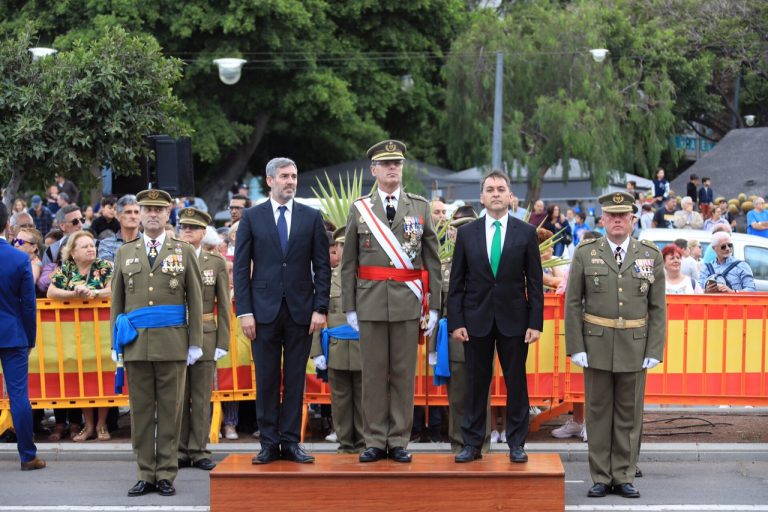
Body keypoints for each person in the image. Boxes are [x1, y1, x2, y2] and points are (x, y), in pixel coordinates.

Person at [341, 139, 441, 463]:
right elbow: (349, 263)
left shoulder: (420, 207)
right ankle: (374, 440)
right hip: (370, 303)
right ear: (373, 170)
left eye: (396, 163)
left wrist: (435, 306)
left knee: (402, 374)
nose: (392, 169)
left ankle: (398, 439)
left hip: (406, 303)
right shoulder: (360, 209)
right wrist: (350, 307)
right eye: (385, 164)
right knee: (372, 374)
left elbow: (432, 261)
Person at [565, 192, 666, 499]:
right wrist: (576, 346)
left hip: (635, 346)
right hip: (595, 345)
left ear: (633, 220)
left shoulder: (650, 255)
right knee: (597, 413)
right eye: (612, 216)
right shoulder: (585, 253)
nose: (618, 220)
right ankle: (600, 476)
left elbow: (657, 308)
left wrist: (654, 350)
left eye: (624, 216)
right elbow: (573, 303)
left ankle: (623, 475)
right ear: (603, 220)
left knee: (629, 414)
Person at [234, 157, 330, 465]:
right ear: (270, 180)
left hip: (301, 311)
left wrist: (320, 307)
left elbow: (322, 266)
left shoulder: (311, 216)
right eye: (285, 176)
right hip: (262, 312)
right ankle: (268, 442)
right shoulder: (252, 217)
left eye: (294, 176)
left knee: (294, 379)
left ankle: (290, 442)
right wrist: (244, 311)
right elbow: (240, 268)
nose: (291, 181)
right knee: (266, 379)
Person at [111, 189, 204, 497]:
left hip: (172, 343)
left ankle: (165, 472)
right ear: (139, 212)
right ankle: (144, 472)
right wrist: (116, 342)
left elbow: (195, 299)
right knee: (139, 412)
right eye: (147, 208)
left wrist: (195, 342)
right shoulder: (126, 252)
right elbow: (117, 302)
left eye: (158, 209)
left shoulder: (184, 250)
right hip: (136, 344)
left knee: (170, 411)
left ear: (168, 215)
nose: (152, 213)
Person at [448, 171, 544, 464]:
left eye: (501, 188)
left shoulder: (525, 232)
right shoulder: (467, 233)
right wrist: (457, 322)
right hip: (476, 320)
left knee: (516, 383)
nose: (496, 193)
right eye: (490, 189)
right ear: (482, 197)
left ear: (510, 196)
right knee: (476, 384)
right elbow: (456, 283)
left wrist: (535, 323)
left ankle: (517, 443)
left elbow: (535, 282)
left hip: (515, 320)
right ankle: (473, 443)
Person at [176, 208, 231, 471]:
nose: (188, 231)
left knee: (200, 396)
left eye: (193, 228)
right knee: (176, 397)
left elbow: (224, 305)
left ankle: (198, 450)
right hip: (176, 334)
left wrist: (223, 342)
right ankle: (178, 450)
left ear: (203, 233)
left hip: (207, 334)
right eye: (184, 227)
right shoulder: (170, 258)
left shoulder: (215, 262)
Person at [47, 231, 113, 442]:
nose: (91, 249)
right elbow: (51, 292)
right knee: (83, 377)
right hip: (75, 334)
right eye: (85, 246)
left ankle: (102, 424)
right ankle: (89, 425)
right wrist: (74, 293)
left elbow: (113, 290)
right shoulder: (67, 269)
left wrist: (94, 294)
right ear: (73, 253)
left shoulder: (105, 266)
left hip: (102, 332)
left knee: (103, 375)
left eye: (92, 245)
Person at [0, 203, 46, 471]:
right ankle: (27, 456)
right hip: (13, 333)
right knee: (19, 396)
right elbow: (28, 304)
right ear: (8, 226)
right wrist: (31, 338)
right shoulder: (19, 259)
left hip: (13, 332)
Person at [310, 228, 364, 453]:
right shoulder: (327, 278)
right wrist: (316, 351)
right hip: (336, 345)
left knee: (366, 398)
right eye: (340, 246)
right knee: (340, 399)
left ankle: (364, 443)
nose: (343, 249)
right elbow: (317, 315)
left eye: (346, 244)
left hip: (365, 346)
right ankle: (345, 442)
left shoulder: (367, 275)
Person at [98, 195, 140, 263]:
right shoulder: (106, 244)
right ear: (118, 216)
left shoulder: (150, 243)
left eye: (136, 212)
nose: (133, 216)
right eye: (128, 212)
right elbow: (108, 271)